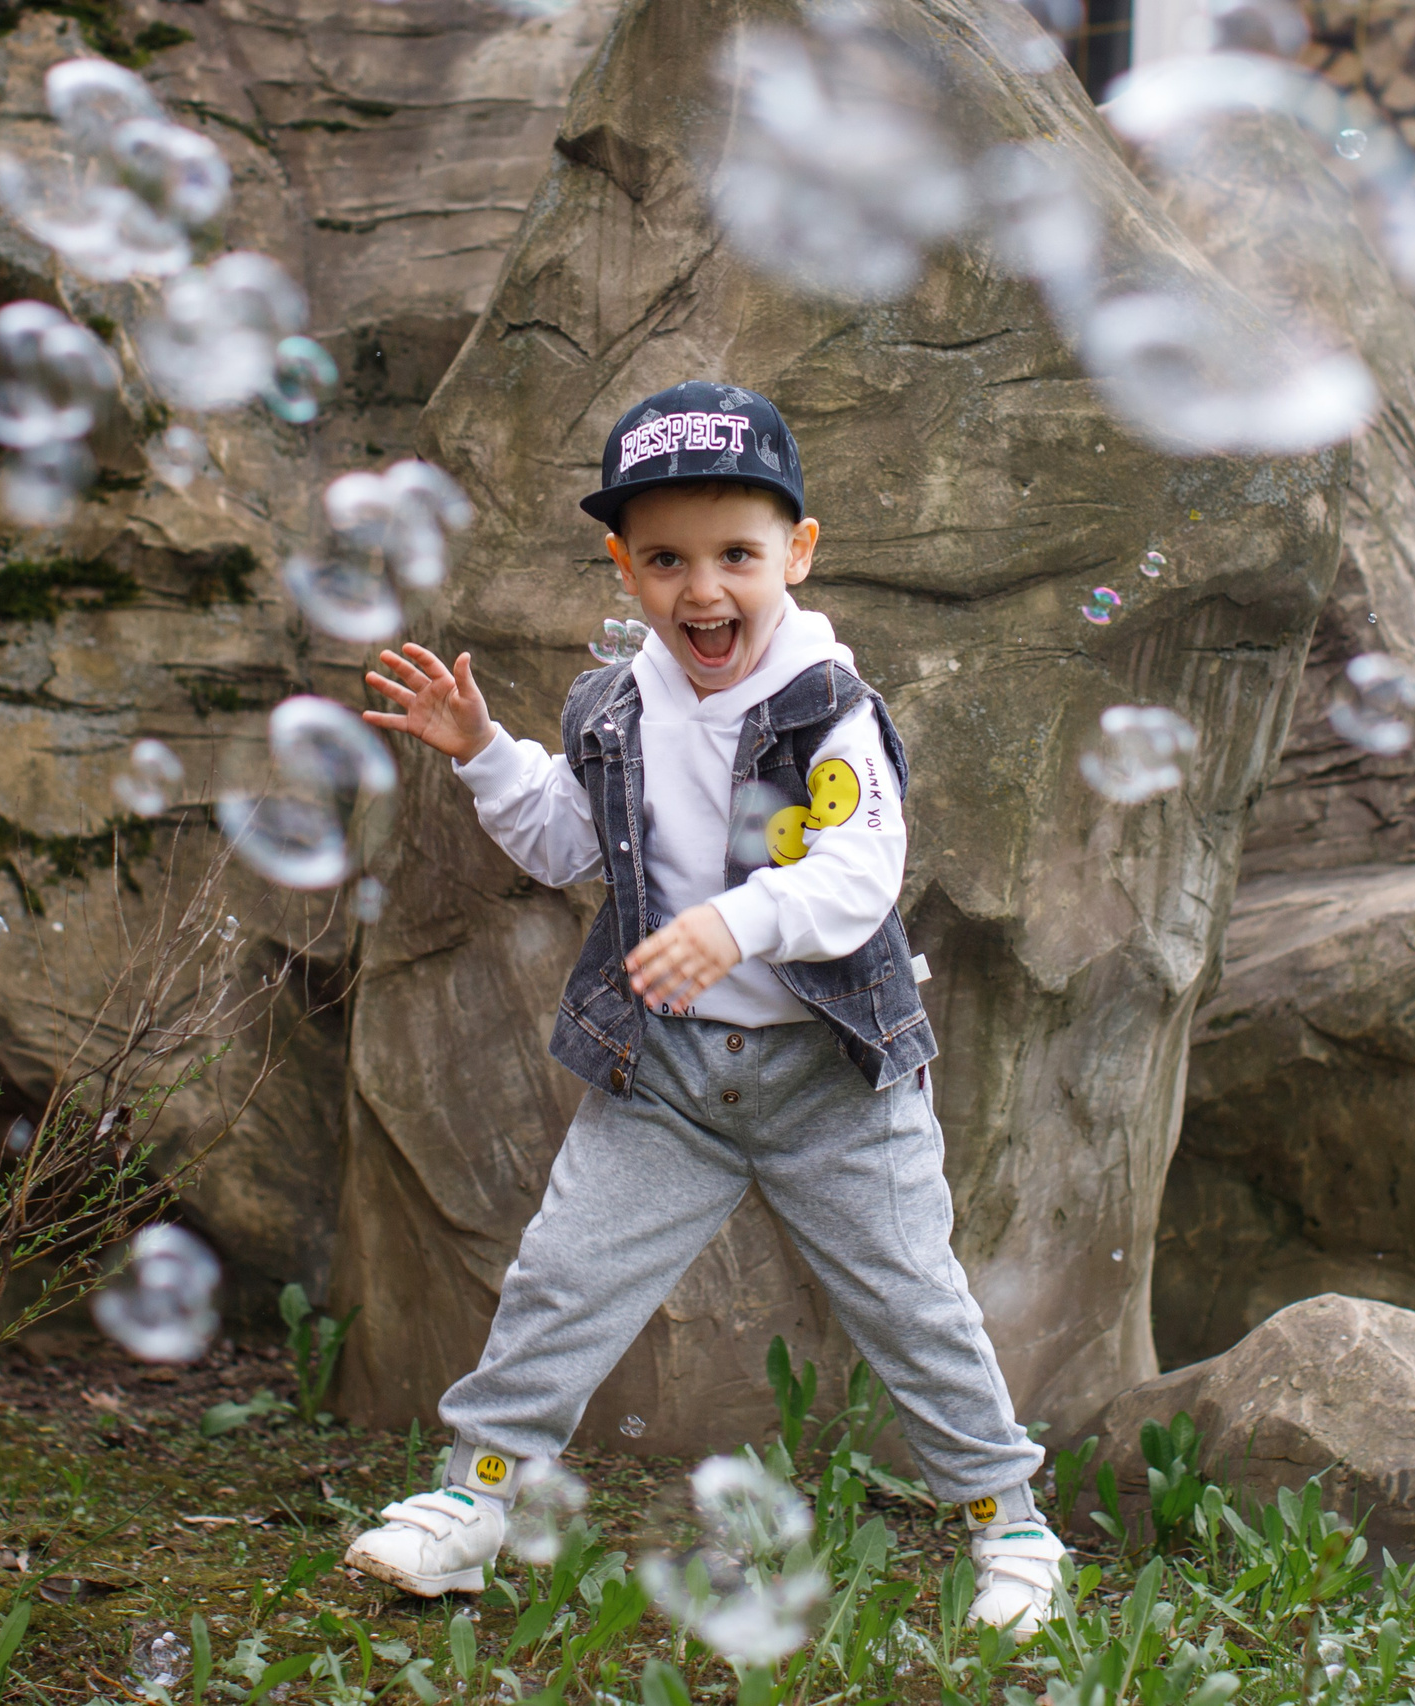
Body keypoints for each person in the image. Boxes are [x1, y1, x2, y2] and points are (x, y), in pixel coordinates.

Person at [346, 381, 1065, 1634]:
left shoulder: (828, 709)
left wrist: (735, 920)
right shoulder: (616, 705)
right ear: (623, 567)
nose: (703, 592)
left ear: (797, 550)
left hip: (832, 1079)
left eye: (737, 554)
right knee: (560, 1282)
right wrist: (483, 752)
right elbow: (572, 843)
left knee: (913, 1302)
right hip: (667, 1073)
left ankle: (1009, 1526)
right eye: (666, 559)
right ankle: (471, 1503)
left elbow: (855, 877)